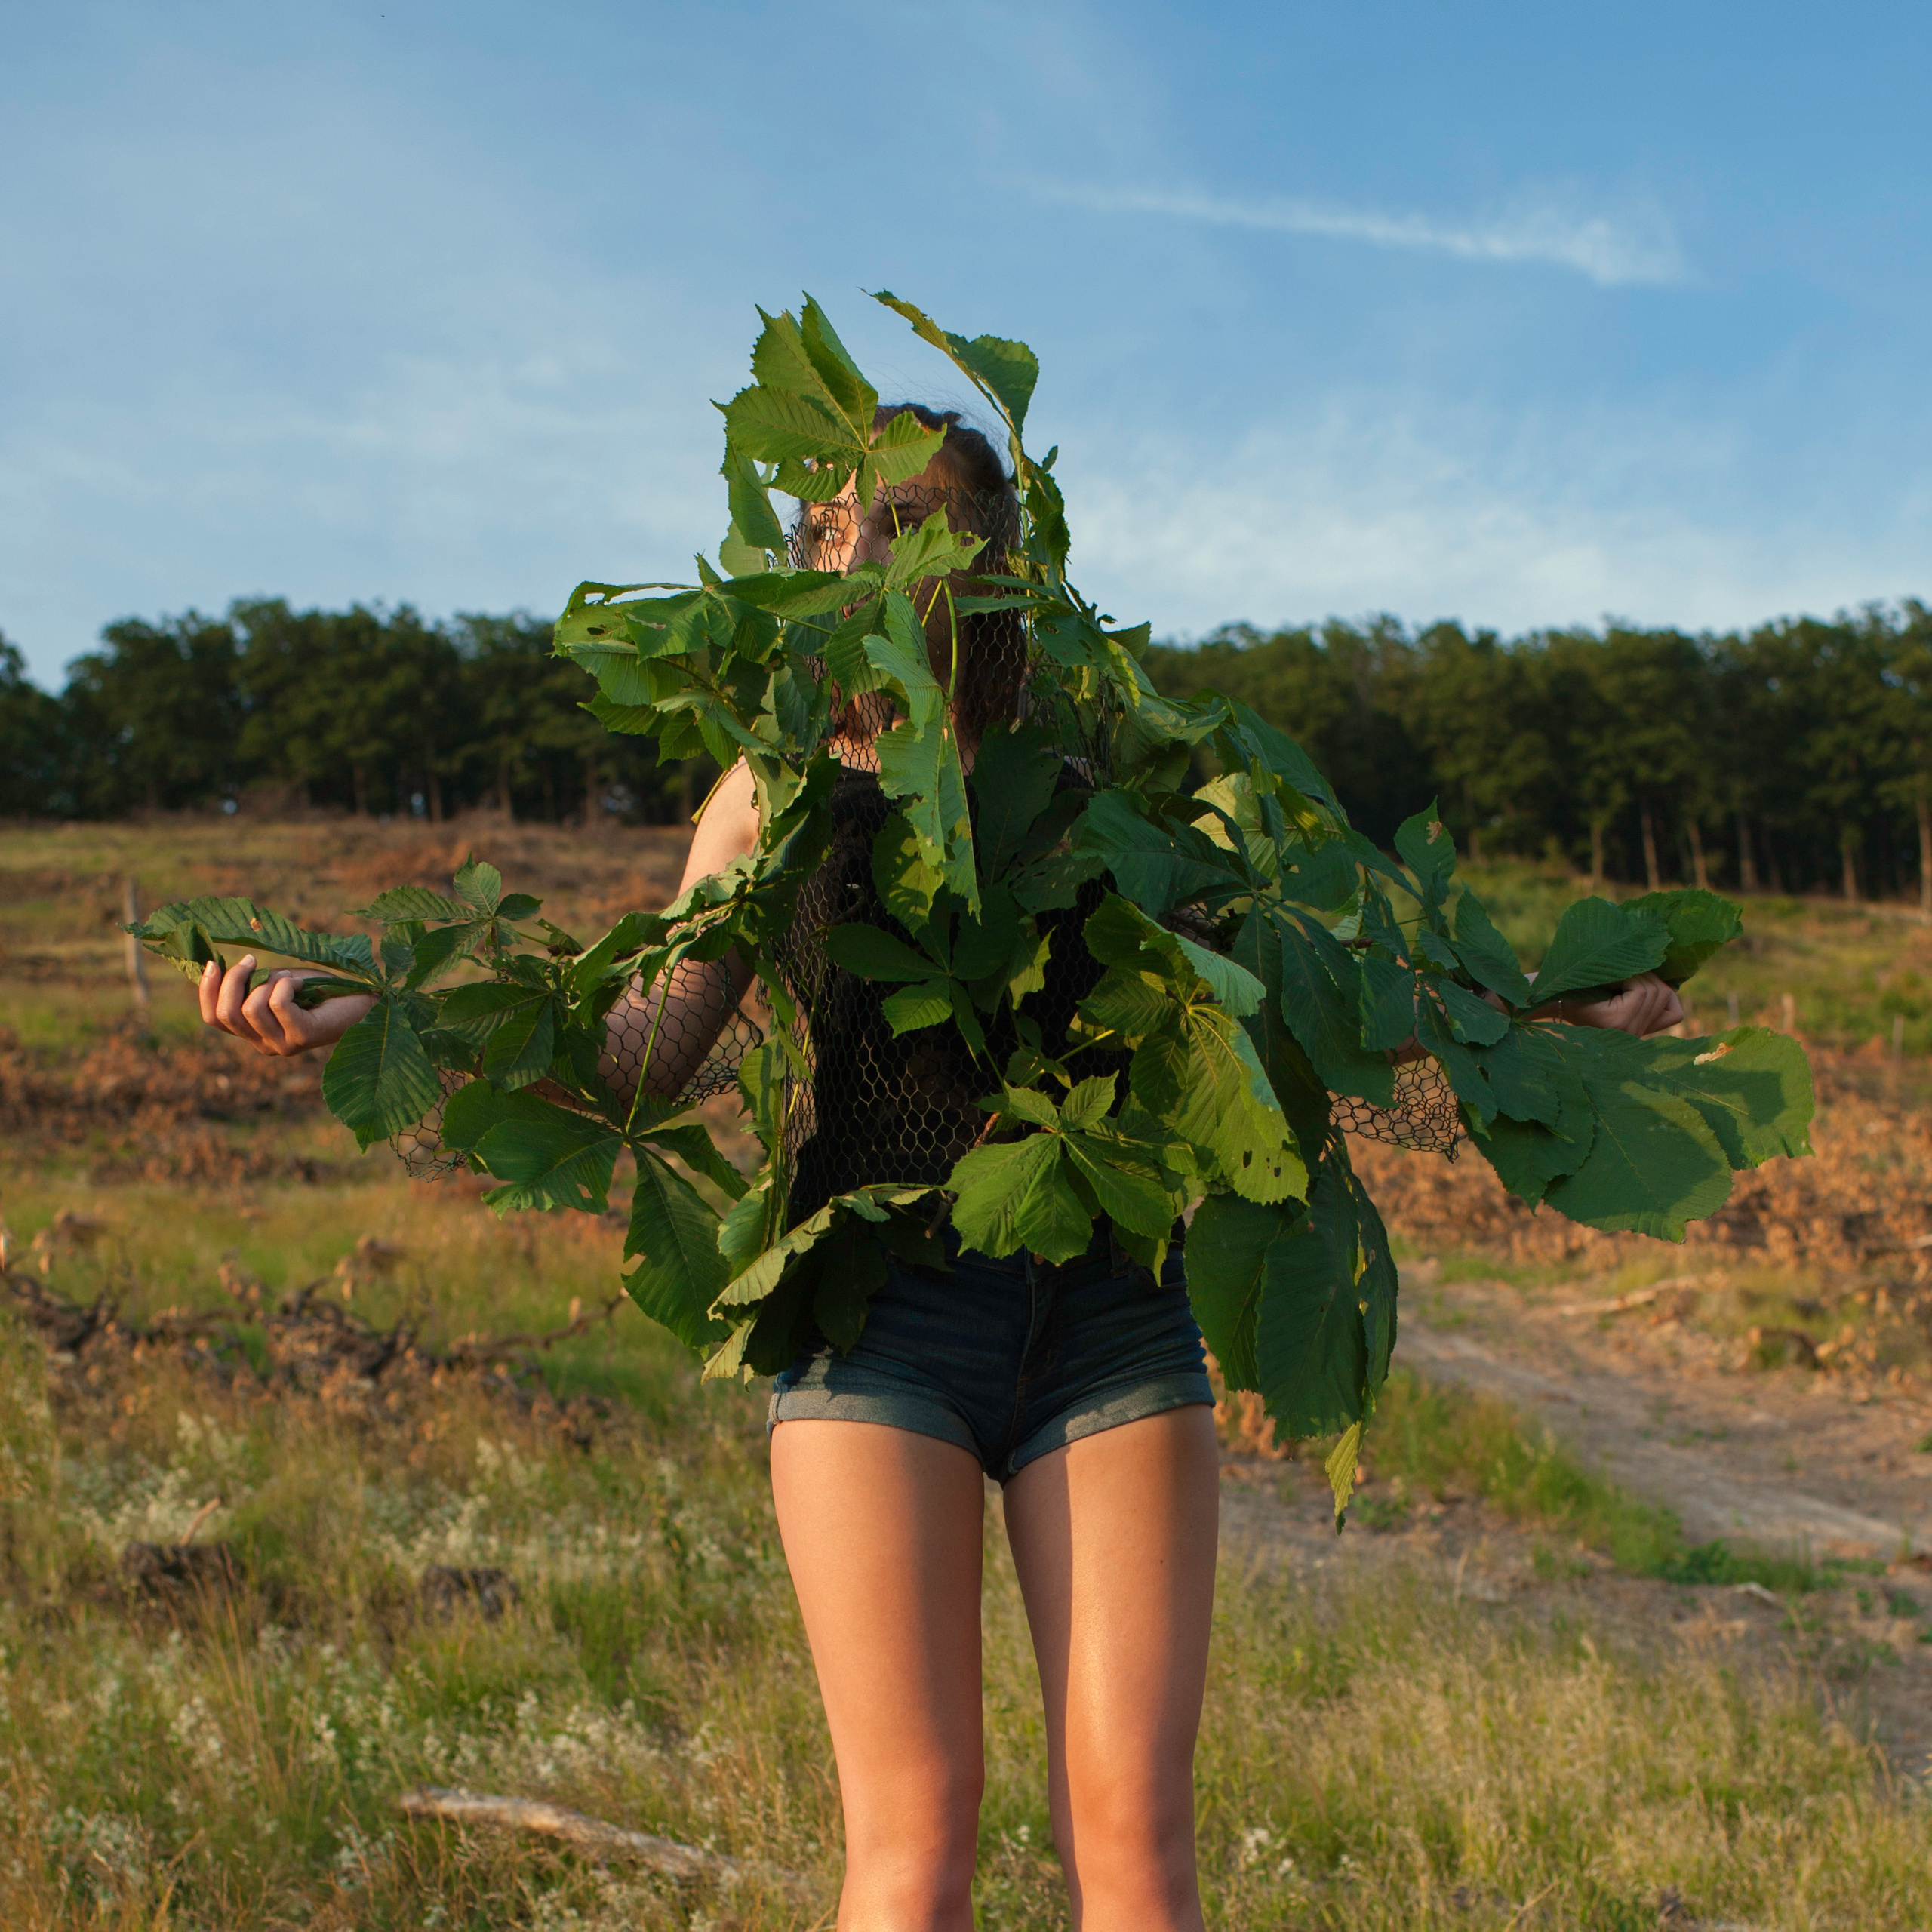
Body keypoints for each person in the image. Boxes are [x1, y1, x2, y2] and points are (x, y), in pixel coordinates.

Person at [200, 411, 1684, 1932]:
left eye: (916, 516)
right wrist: (396, 1011)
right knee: (913, 1848)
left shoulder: (1107, 784)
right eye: (840, 523)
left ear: (991, 559)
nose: (873, 547)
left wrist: (1540, 1008)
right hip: (875, 1318)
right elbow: (646, 1046)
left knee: (1136, 1841)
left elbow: (1309, 995)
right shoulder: (775, 789)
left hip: (1111, 1312)